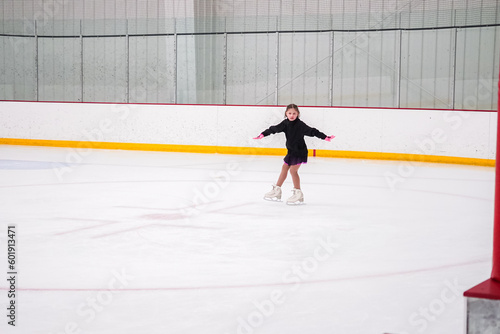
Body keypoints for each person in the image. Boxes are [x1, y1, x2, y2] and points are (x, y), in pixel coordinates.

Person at [253, 104, 334, 204]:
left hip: (300, 151)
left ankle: (298, 193)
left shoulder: (300, 125)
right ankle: (277, 190)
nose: (292, 115)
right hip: (291, 151)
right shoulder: (285, 123)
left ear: (298, 114)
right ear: (286, 114)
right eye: (289, 113)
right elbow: (274, 128)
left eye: (294, 113)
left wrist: (325, 137)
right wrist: (263, 134)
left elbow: (312, 131)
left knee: (293, 171)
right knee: (284, 168)